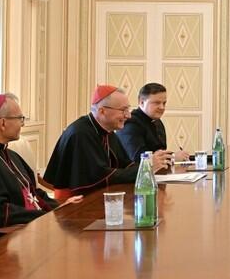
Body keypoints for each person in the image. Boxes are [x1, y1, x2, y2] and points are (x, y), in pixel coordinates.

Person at [0, 94, 82, 246]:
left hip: (32, 233)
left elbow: (33, 193)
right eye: (20, 118)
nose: (22, 124)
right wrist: (43, 217)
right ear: (3, 123)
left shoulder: (10, 154)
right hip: (3, 244)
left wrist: (61, 207)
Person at [42, 85, 171, 200]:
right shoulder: (81, 134)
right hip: (75, 202)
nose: (128, 115)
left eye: (128, 110)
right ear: (102, 111)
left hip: (99, 197)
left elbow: (125, 165)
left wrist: (147, 165)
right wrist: (146, 167)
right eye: (123, 110)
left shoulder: (106, 130)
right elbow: (100, 177)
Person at [117, 82, 188, 163]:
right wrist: (172, 157)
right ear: (141, 102)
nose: (162, 107)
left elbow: (160, 152)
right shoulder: (131, 123)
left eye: (164, 103)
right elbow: (138, 158)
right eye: (157, 103)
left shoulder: (157, 121)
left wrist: (174, 156)